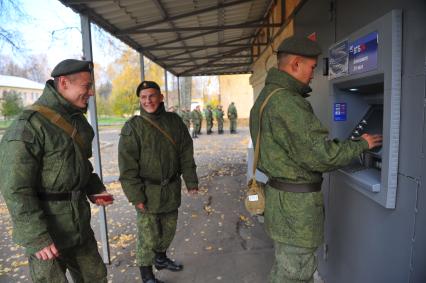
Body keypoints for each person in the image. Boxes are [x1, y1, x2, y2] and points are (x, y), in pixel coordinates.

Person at [249, 36, 382, 283]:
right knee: (294, 274)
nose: (314, 75)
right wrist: (362, 144)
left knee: (287, 266)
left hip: (280, 200)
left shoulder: (267, 97)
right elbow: (322, 156)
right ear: (296, 64)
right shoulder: (288, 103)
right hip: (296, 209)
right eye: (312, 67)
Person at [0, 59, 114, 283]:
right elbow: (15, 188)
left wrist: (94, 188)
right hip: (47, 231)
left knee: (96, 277)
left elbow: (81, 164)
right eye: (86, 86)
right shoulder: (29, 125)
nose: (91, 92)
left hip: (79, 224)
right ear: (63, 83)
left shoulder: (78, 122)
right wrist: (36, 236)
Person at [118, 81, 198, 283]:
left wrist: (191, 181)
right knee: (148, 236)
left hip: (171, 189)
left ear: (161, 97)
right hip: (147, 191)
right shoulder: (133, 127)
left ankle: (161, 259)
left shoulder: (174, 122)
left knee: (168, 230)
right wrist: (135, 196)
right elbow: (127, 167)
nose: (148, 101)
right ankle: (146, 275)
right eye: (143, 97)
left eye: (152, 96)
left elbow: (185, 153)